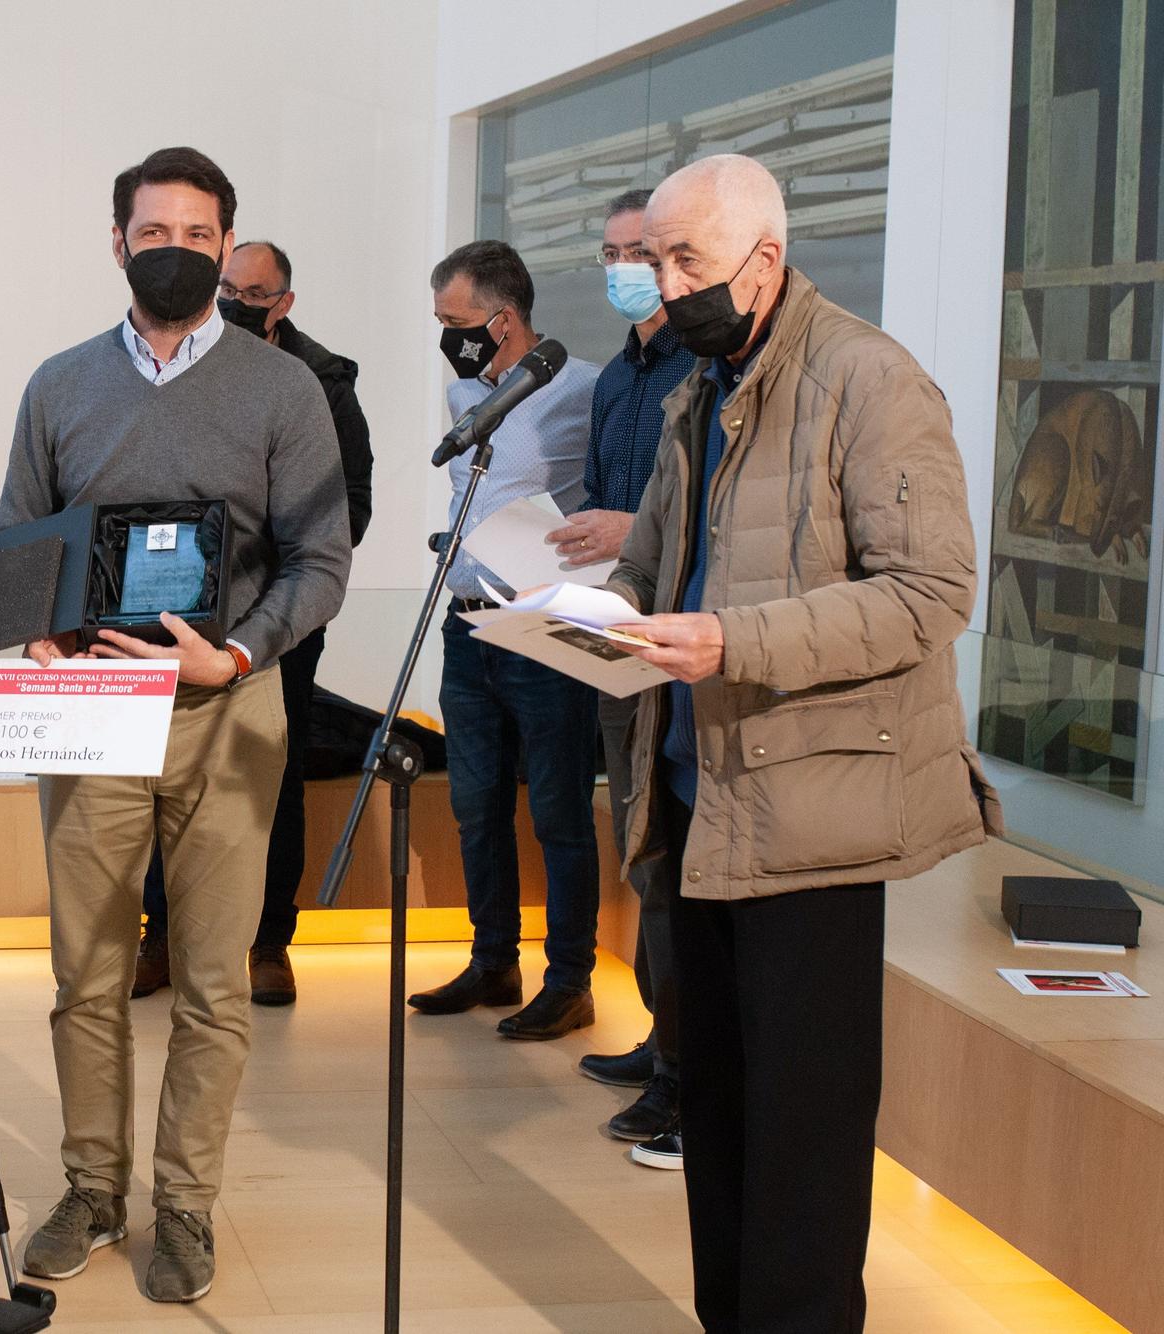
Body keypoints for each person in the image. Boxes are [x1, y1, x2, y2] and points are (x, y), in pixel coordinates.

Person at [604, 154, 1000, 1332]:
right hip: (695, 802)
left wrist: (733, 639)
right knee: (717, 1114)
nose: (662, 284)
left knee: (802, 1141)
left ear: (764, 261)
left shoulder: (868, 380)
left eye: (685, 260)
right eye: (650, 259)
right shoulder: (702, 381)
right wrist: (589, 617)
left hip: (812, 817)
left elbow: (931, 591)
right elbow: (661, 560)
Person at [0, 146, 350, 1304]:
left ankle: (184, 1203)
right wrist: (40, 627)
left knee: (212, 981)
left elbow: (319, 559)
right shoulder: (56, 385)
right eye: (156, 230)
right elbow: (19, 539)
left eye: (200, 235)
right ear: (116, 241)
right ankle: (93, 1187)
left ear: (223, 247)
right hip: (94, 713)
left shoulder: (280, 390)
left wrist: (237, 651)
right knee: (84, 974)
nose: (176, 250)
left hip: (227, 711)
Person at [132, 238, 374, 1006]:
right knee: (161, 775)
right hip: (177, 612)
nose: (237, 302)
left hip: (276, 622)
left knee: (278, 776)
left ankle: (270, 942)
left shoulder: (322, 384)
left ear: (285, 303)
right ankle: (162, 935)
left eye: (255, 293)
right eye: (228, 288)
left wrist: (260, 566)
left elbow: (348, 511)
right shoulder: (190, 368)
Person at [409, 240, 604, 1041]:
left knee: (557, 808)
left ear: (506, 318)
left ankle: (571, 978)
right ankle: (494, 959)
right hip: (467, 627)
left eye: (456, 322)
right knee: (474, 805)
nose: (447, 337)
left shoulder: (585, 389)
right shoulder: (465, 394)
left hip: (545, 625)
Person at [553, 188, 699, 1169]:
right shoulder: (615, 378)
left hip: (683, 654)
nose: (622, 265)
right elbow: (606, 500)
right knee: (637, 852)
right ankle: (661, 1038)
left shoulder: (704, 369)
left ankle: (688, 1077)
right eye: (608, 250)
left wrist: (626, 530)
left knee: (678, 863)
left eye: (637, 250)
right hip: (611, 644)